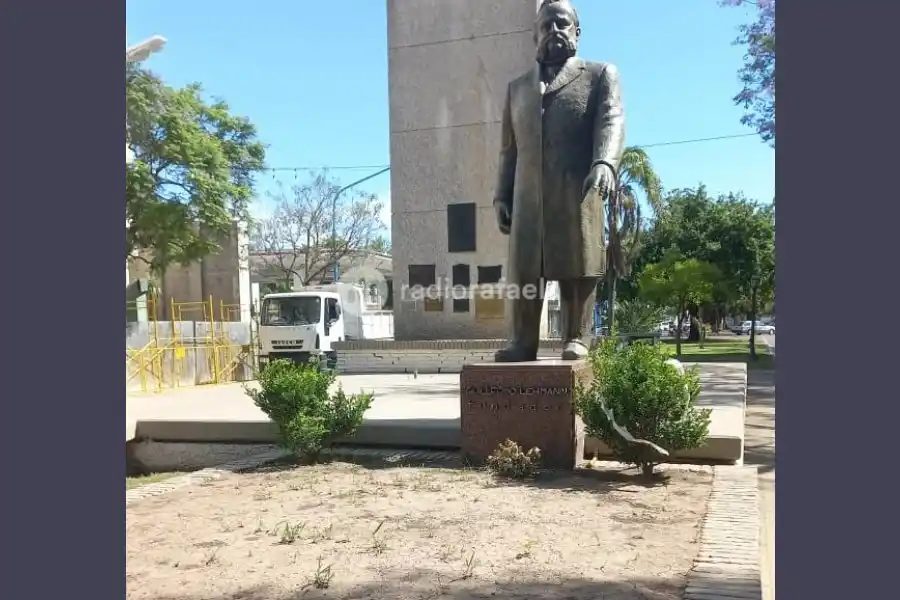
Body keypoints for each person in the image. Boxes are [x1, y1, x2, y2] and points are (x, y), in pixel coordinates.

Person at [492, 0, 625, 362]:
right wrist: (501, 195)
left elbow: (611, 121)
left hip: (576, 188)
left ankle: (577, 336)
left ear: (577, 32)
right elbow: (508, 150)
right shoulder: (517, 89)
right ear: (534, 35)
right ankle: (522, 342)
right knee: (525, 271)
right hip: (527, 198)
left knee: (578, 265)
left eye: (562, 24)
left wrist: (604, 163)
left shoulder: (599, 75)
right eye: (546, 25)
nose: (554, 31)